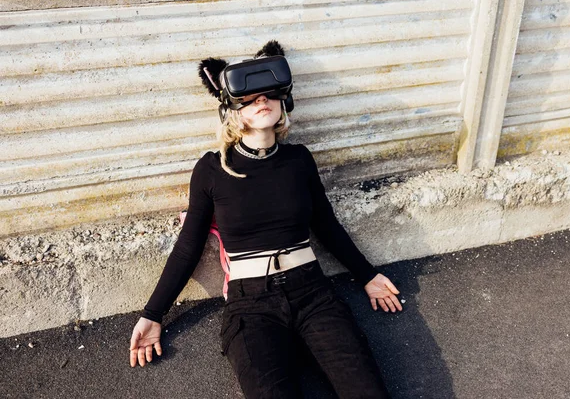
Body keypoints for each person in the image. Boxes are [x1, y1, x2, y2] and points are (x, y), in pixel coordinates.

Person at [129, 41, 403, 399]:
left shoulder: (298, 160)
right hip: (251, 306)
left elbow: (326, 225)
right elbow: (188, 246)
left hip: (313, 294)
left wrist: (367, 275)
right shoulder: (211, 169)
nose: (262, 101)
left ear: (283, 101)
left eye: (270, 94)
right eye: (251, 96)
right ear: (231, 109)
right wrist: (153, 314)